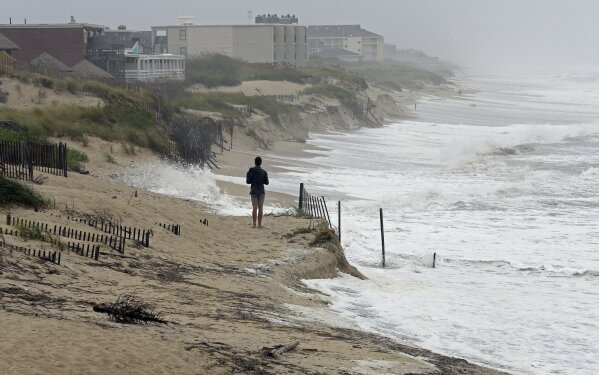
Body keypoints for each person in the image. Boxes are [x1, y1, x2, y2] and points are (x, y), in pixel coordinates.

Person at [246, 156, 269, 228]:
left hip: (254, 191)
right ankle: (259, 224)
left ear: (255, 162)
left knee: (254, 208)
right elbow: (267, 182)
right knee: (260, 208)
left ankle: (254, 224)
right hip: (261, 191)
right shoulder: (264, 172)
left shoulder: (251, 171)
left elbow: (248, 181)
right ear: (261, 163)